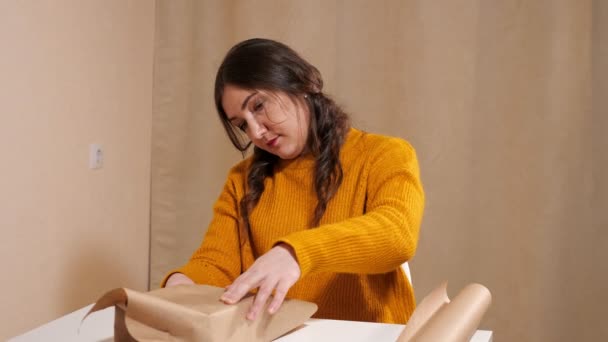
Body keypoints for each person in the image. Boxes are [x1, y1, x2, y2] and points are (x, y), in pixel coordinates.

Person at [162, 38, 425, 324]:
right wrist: (182, 283)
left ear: (302, 83)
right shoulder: (242, 179)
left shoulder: (383, 154)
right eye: (242, 124)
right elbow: (215, 263)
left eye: (259, 106)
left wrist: (295, 254)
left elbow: (397, 235)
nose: (256, 132)